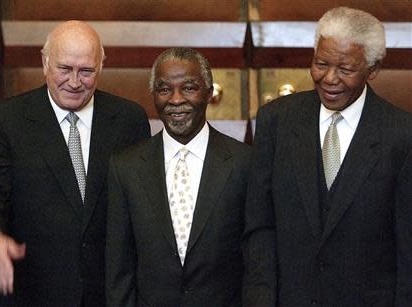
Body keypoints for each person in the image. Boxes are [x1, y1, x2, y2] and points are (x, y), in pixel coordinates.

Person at [0, 20, 150, 306]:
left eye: (86, 71)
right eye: (64, 69)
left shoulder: (129, 120)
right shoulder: (7, 121)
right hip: (34, 292)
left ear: (101, 67)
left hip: (110, 294)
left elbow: (144, 206)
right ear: (45, 63)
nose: (75, 82)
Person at [243, 7, 412, 307]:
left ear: (373, 69)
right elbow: (260, 226)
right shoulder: (276, 121)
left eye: (345, 69)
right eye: (321, 63)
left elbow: (406, 247)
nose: (329, 78)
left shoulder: (402, 135)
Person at [105, 47, 250, 306]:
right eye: (163, 90)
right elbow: (120, 269)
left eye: (189, 88)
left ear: (208, 92)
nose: (175, 99)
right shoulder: (125, 167)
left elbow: (256, 262)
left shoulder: (245, 163)